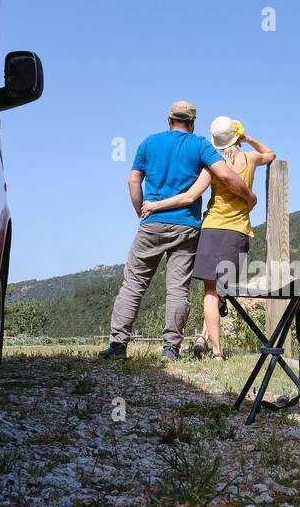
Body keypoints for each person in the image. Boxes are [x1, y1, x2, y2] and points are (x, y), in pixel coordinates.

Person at [100, 101, 257, 360]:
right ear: (193, 123)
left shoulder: (148, 143)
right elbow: (228, 177)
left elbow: (133, 179)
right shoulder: (200, 146)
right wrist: (249, 196)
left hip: (151, 224)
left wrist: (141, 210)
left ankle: (118, 345)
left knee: (134, 284)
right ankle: (170, 348)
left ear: (168, 120)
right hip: (187, 227)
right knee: (177, 289)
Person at [140, 116, 275, 359]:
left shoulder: (211, 166)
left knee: (210, 294)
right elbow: (270, 154)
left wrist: (155, 205)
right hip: (237, 231)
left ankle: (214, 350)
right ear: (238, 137)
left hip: (211, 230)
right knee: (223, 291)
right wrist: (250, 139)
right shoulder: (251, 158)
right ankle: (205, 338)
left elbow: (188, 197)